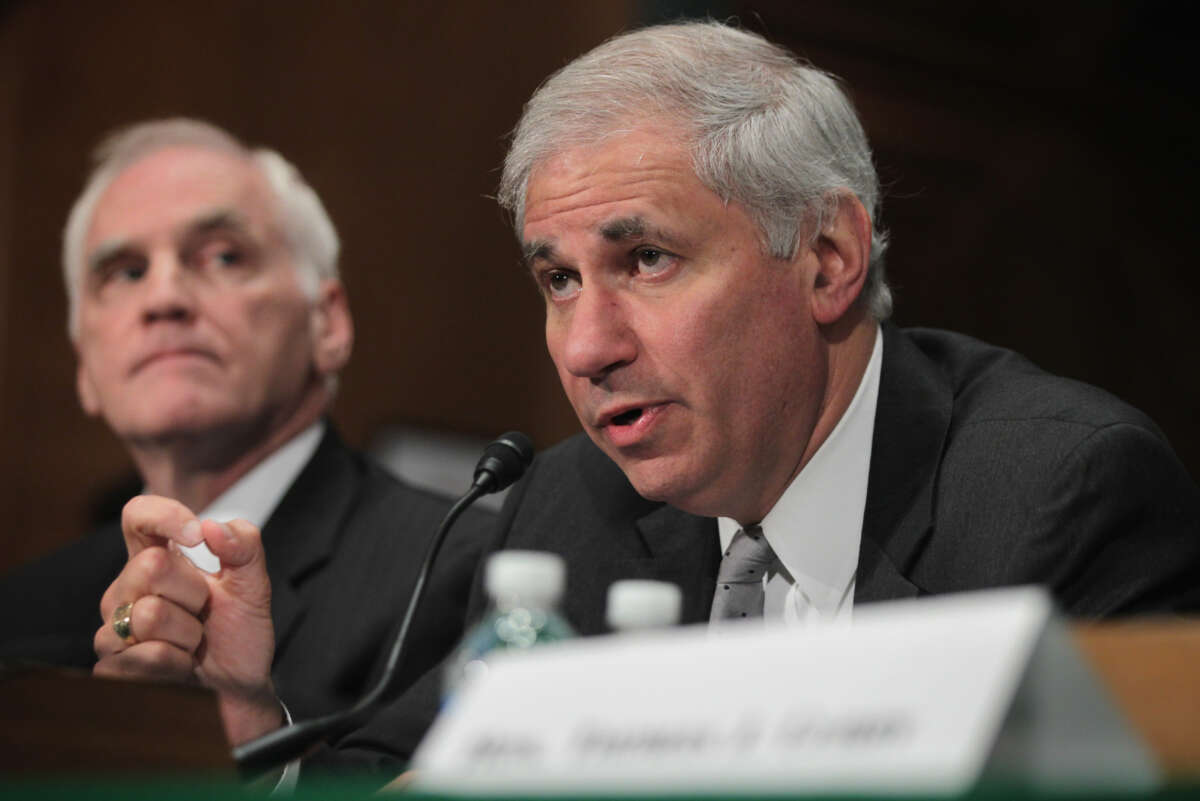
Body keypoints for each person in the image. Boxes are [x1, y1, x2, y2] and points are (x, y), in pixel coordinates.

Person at [73, 21, 1200, 778]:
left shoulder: (1058, 493)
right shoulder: (569, 507)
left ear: (826, 258)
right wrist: (246, 712)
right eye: (557, 279)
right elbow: (397, 777)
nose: (587, 344)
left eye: (647, 260)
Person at [0, 119, 492, 740]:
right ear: (85, 370)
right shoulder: (20, 614)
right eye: (125, 272)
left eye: (224, 256)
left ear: (328, 324)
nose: (165, 298)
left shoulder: (459, 573)